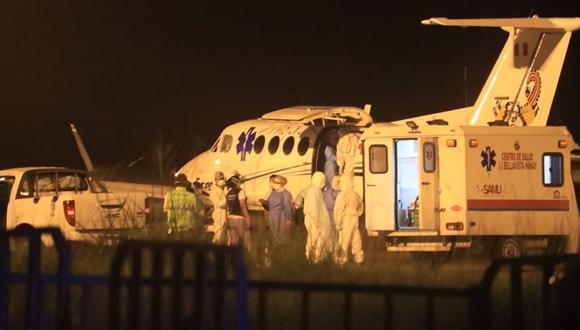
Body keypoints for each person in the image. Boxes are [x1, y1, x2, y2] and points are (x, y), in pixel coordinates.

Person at [303, 171, 333, 263]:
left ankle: (317, 258)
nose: (323, 183)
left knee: (317, 239)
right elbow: (314, 210)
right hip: (314, 221)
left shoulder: (316, 191)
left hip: (318, 220)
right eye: (322, 181)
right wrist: (318, 223)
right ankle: (314, 259)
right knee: (315, 239)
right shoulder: (313, 191)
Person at [334, 175, 364, 265]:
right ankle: (359, 258)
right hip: (355, 219)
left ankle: (341, 260)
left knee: (344, 240)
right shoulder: (356, 194)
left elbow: (339, 210)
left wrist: (338, 223)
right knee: (356, 239)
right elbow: (360, 209)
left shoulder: (342, 194)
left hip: (346, 219)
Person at [225, 170, 252, 251]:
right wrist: (248, 218)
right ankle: (249, 258)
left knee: (234, 241)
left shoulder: (229, 193)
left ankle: (231, 259)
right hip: (239, 218)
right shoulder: (240, 192)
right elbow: (243, 206)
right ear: (237, 182)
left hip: (230, 218)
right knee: (246, 240)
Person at [266, 175, 294, 243]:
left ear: (280, 184)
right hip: (272, 216)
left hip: (281, 217)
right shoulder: (273, 192)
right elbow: (269, 203)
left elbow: (288, 208)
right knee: (273, 235)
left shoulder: (286, 194)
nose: (274, 184)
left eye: (275, 182)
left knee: (281, 236)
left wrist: (289, 220)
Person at [209, 171, 228, 244]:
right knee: (218, 237)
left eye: (223, 178)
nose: (222, 180)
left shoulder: (223, 190)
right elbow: (219, 204)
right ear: (215, 180)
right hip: (219, 218)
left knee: (225, 239)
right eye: (220, 179)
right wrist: (228, 200)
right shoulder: (214, 191)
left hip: (225, 217)